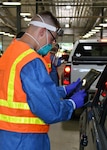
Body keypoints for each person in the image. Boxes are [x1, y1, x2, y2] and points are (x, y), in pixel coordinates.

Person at [0, 11, 86, 150]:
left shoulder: (10, 53)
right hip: (26, 140)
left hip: (6, 138)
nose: (52, 44)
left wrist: (64, 90)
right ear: (42, 31)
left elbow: (24, 94)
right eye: (52, 39)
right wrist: (72, 104)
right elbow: (50, 110)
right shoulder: (31, 61)